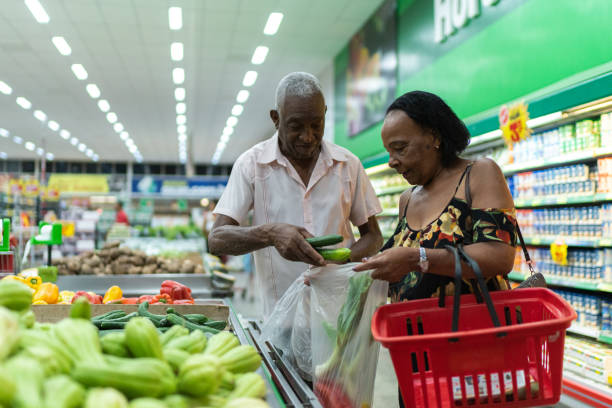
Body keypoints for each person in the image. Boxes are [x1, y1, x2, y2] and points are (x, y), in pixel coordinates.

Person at [209, 72, 384, 315]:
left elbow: (374, 236)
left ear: (324, 113)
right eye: (296, 126)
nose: (308, 136)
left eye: (316, 124)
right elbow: (217, 239)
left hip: (340, 313)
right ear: (276, 118)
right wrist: (269, 234)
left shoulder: (348, 165)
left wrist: (343, 260)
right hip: (281, 317)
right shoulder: (252, 165)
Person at [354, 90, 518, 301]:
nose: (391, 161)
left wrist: (417, 259)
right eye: (389, 151)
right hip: (415, 330)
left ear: (434, 137)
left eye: (400, 148)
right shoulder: (408, 199)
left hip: (474, 328)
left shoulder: (478, 174)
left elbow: (499, 256)